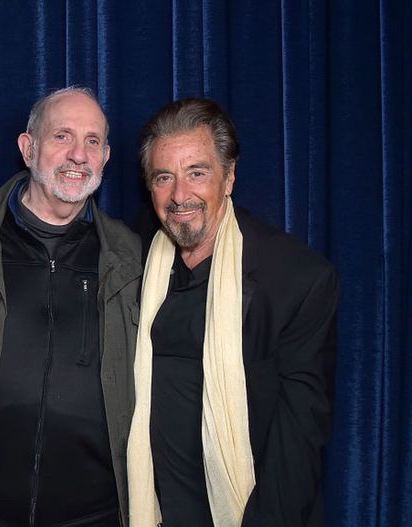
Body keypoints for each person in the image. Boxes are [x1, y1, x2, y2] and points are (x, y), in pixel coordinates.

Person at [0, 87, 142, 526]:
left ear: (106, 157)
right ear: (28, 148)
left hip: (96, 515)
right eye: (62, 136)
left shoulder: (133, 257)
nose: (78, 154)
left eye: (93, 141)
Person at [126, 97, 338, 527]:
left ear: (229, 177)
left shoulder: (297, 279)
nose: (180, 195)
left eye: (197, 173)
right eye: (164, 177)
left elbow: (296, 449)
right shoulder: (133, 255)